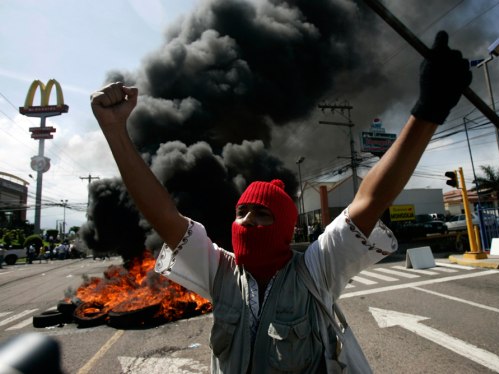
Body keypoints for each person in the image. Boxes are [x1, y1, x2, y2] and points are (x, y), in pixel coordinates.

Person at [91, 31, 471, 373]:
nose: (246, 222)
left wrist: (428, 112)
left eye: (262, 214)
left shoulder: (315, 272)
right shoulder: (220, 274)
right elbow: (164, 215)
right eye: (241, 212)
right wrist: (115, 131)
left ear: (286, 228)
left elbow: (368, 201)